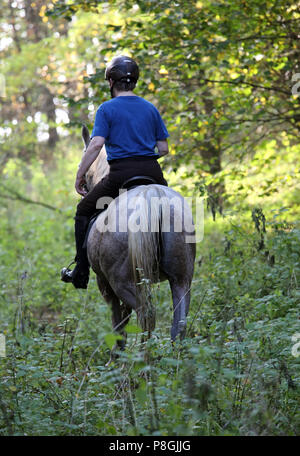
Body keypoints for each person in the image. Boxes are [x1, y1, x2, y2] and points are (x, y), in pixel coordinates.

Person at [61, 55, 169, 289]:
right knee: (171, 211)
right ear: (135, 82)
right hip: (153, 172)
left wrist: (79, 175)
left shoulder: (107, 109)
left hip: (120, 176)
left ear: (111, 82)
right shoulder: (150, 109)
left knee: (83, 211)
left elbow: (96, 144)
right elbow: (163, 148)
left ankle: (81, 270)